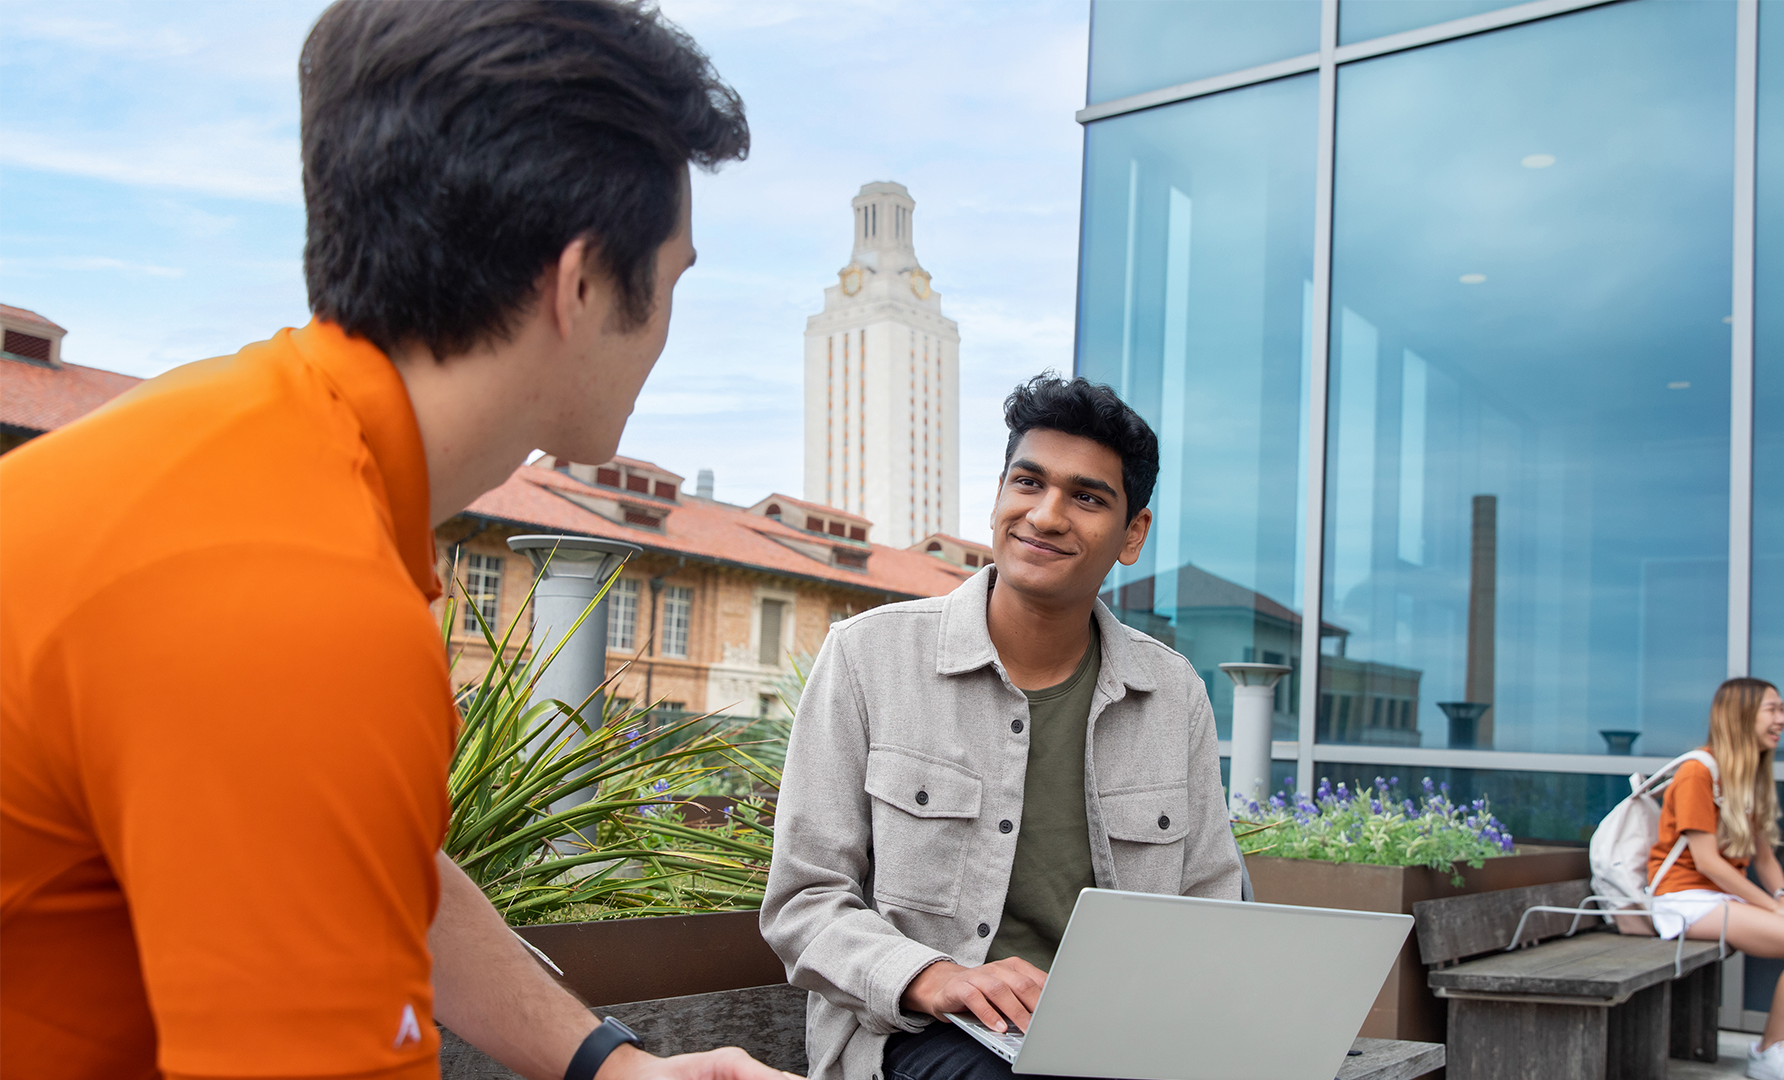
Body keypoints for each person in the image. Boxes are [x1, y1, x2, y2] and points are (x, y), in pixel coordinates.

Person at [0, 4, 790, 1080]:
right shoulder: (297, 601)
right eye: (675, 280)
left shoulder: (252, 446)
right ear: (583, 285)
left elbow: (371, 864)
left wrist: (611, 1062)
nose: (667, 328)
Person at [759, 376, 1242, 1080]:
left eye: (1087, 497)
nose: (1045, 516)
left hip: (1118, 1039)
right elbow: (804, 901)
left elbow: (1212, 906)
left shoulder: (1171, 694)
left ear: (1131, 533)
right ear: (998, 498)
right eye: (1028, 482)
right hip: (922, 1033)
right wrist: (933, 976)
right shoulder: (869, 658)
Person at [1642, 678, 1784, 1080]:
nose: (1783, 720)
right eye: (1772, 710)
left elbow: (1765, 855)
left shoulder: (1748, 774)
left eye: (1782, 709)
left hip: (1720, 898)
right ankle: (1769, 1053)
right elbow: (1707, 863)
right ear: (1740, 716)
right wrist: (1774, 907)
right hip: (1684, 899)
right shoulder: (1697, 771)